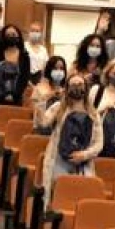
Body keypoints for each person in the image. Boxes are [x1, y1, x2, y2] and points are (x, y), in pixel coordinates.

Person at [40, 72, 101, 200]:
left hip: (83, 163)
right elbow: (42, 123)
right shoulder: (58, 108)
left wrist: (84, 155)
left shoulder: (93, 114)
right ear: (67, 89)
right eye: (73, 85)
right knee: (56, 197)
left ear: (86, 88)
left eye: (80, 84)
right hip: (58, 160)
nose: (77, 87)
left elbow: (99, 143)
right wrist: (42, 101)